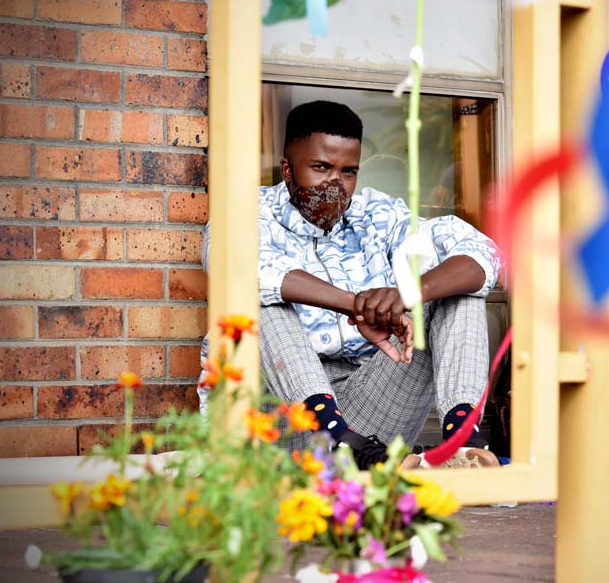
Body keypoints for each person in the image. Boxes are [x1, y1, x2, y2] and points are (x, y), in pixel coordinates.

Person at [201, 100, 502, 469]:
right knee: (260, 302)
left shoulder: (375, 214)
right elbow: (235, 270)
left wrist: (408, 294)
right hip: (281, 420)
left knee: (457, 291)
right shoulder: (246, 214)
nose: (335, 184)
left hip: (369, 422)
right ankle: (336, 441)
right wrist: (356, 304)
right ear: (287, 169)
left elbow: (481, 252)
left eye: (348, 172)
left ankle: (460, 442)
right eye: (320, 167)